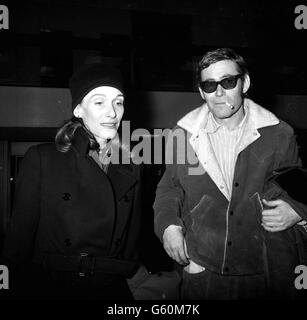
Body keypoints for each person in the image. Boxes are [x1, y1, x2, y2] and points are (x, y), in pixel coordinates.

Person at [153, 48, 307, 299]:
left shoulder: (279, 134)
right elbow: (170, 188)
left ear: (244, 83)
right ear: (202, 91)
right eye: (210, 85)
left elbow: (297, 183)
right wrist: (168, 226)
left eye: (228, 81)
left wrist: (296, 209)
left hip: (263, 272)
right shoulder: (183, 136)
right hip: (204, 271)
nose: (220, 92)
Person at [1, 64, 142, 299]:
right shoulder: (43, 158)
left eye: (118, 102)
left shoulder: (131, 165)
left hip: (110, 288)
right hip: (53, 287)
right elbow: (17, 242)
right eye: (99, 102)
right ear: (78, 109)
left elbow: (133, 242)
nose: (112, 112)